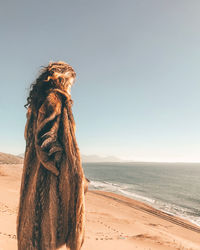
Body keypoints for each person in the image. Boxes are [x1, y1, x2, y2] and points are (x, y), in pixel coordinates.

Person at [16, 61, 88, 250]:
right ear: (61, 79)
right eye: (70, 83)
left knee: (35, 232)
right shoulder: (54, 98)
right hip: (49, 178)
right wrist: (62, 168)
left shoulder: (36, 104)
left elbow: (30, 137)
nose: (71, 88)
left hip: (35, 175)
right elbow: (46, 138)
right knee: (49, 229)